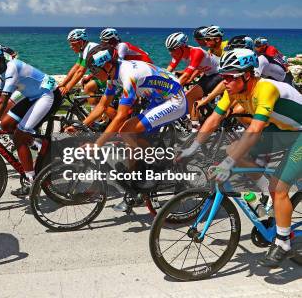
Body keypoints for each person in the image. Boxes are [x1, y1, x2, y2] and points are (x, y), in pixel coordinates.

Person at [178, 48, 301, 267]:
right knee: (233, 148)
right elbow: (214, 120)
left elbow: (254, 131)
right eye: (223, 76)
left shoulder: (265, 89)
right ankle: (268, 195)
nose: (224, 81)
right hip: (284, 131)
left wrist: (227, 165)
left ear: (247, 75)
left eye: (229, 77)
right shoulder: (232, 90)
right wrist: (192, 148)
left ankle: (283, 243)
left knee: (279, 187)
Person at [75, 44, 187, 212]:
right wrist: (82, 125)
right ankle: (136, 187)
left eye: (95, 70)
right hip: (157, 97)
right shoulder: (113, 74)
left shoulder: (128, 76)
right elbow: (102, 105)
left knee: (127, 130)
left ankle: (159, 166)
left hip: (174, 100)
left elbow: (120, 116)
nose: (93, 75)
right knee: (131, 139)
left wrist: (97, 145)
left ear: (107, 66)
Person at [0, 45, 63, 197]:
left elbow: (3, 101)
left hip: (48, 95)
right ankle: (38, 144)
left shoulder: (11, 69)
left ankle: (31, 180)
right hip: (33, 96)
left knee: (19, 136)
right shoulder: (2, 71)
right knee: (6, 124)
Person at [165, 32, 221, 121]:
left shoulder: (196, 52)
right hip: (208, 74)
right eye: (169, 50)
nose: (171, 52)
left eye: (172, 49)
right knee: (189, 95)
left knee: (190, 96)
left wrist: (169, 90)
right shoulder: (178, 53)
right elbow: (167, 71)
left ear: (182, 47)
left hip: (219, 73)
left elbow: (187, 75)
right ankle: (202, 117)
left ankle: (195, 127)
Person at [58, 28, 103, 106]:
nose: (71, 46)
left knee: (88, 88)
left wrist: (67, 88)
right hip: (102, 74)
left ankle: (97, 113)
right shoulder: (83, 49)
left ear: (80, 42)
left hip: (111, 76)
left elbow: (81, 71)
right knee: (87, 84)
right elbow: (76, 67)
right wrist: (63, 84)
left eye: (73, 44)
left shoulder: (90, 48)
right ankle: (99, 109)